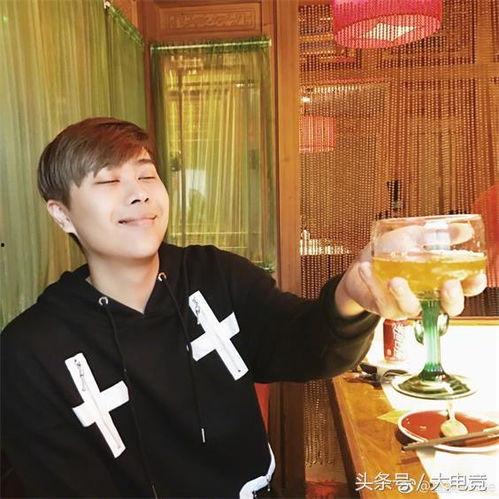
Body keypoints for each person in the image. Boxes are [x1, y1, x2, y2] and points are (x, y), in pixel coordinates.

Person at [1, 118, 486, 498]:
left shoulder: (216, 276)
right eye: (108, 181)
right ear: (61, 213)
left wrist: (352, 293)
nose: (139, 193)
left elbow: (304, 344)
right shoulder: (30, 353)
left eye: (147, 174)